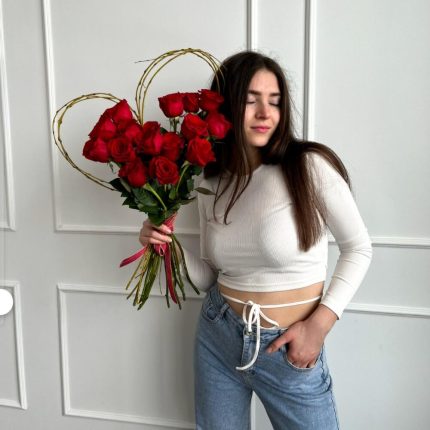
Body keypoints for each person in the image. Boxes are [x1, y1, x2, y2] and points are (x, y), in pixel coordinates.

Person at [139, 51, 372, 430]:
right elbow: (210, 276)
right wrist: (166, 245)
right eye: (251, 101)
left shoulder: (308, 166)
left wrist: (319, 326)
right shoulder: (210, 180)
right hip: (218, 334)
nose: (265, 113)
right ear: (226, 106)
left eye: (274, 101)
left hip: (289, 348)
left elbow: (358, 248)